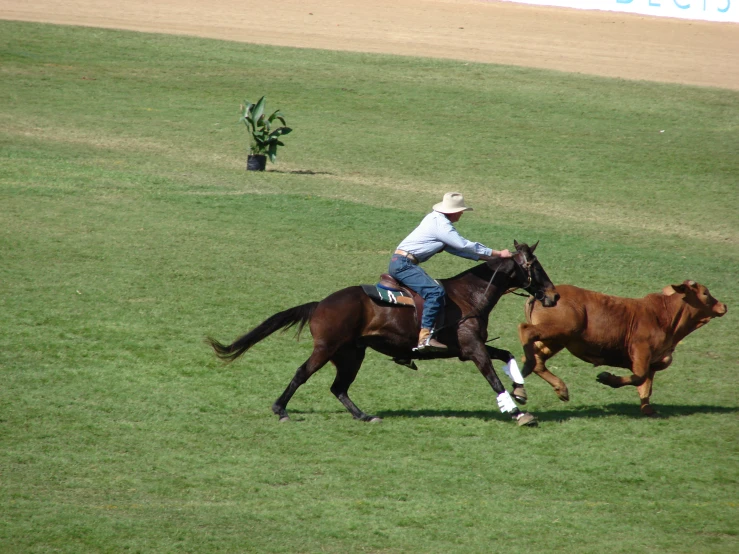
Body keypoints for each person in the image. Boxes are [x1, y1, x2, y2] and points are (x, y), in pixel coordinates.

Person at [389, 192, 512, 352]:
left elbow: (460, 251)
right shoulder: (441, 224)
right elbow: (463, 245)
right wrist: (497, 253)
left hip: (401, 262)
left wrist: (492, 261)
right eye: (461, 210)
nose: (461, 213)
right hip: (404, 264)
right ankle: (425, 338)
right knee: (435, 292)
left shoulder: (436, 221)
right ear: (453, 211)